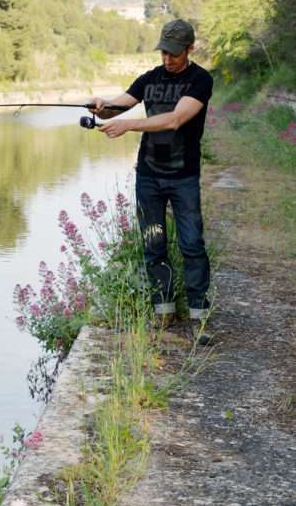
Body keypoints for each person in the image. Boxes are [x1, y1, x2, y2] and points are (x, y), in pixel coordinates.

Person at [87, 19, 214, 341]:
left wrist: (129, 125)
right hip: (148, 178)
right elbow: (116, 108)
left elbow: (174, 120)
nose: (167, 59)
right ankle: (164, 311)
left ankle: (199, 315)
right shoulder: (149, 79)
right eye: (163, 53)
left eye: (174, 53)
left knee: (192, 245)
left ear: (189, 49)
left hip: (183, 177)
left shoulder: (200, 80)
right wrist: (102, 107)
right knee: (153, 246)